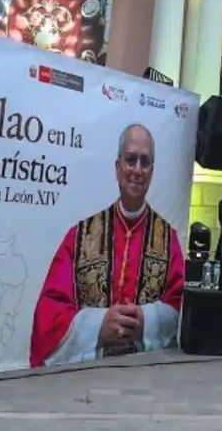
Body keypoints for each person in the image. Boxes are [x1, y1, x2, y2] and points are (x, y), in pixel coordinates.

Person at [31, 124, 184, 366]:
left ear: (152, 172)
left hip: (147, 377)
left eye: (145, 162)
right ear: (117, 167)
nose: (137, 170)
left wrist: (145, 321)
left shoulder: (168, 239)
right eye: (130, 160)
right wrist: (99, 326)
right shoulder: (80, 236)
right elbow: (48, 313)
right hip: (87, 376)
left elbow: (182, 308)